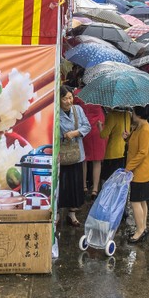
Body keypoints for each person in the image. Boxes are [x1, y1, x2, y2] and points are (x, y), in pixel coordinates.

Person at [57, 88, 90, 228]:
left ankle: (72, 214)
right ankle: (57, 213)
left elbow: (87, 126)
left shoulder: (78, 110)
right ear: (58, 100)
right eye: (65, 98)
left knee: (74, 187)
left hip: (76, 154)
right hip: (61, 155)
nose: (69, 101)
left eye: (70, 97)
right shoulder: (55, 112)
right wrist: (64, 135)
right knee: (60, 186)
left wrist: (75, 133)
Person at [123, 105, 149, 243]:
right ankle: (142, 227)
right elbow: (134, 143)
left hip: (141, 173)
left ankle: (140, 230)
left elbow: (142, 153)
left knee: (135, 201)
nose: (132, 114)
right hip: (139, 172)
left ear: (138, 114)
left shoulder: (145, 129)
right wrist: (127, 138)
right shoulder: (138, 127)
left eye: (133, 112)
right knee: (142, 201)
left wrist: (128, 168)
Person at [74, 92, 106, 198]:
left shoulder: (78, 93)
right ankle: (95, 189)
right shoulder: (100, 93)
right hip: (98, 127)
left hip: (85, 126)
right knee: (97, 161)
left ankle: (84, 186)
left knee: (84, 159)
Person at [100, 107, 130, 180]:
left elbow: (103, 135)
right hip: (123, 151)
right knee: (119, 179)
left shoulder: (111, 116)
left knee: (108, 179)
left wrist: (100, 127)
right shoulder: (127, 114)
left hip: (112, 153)